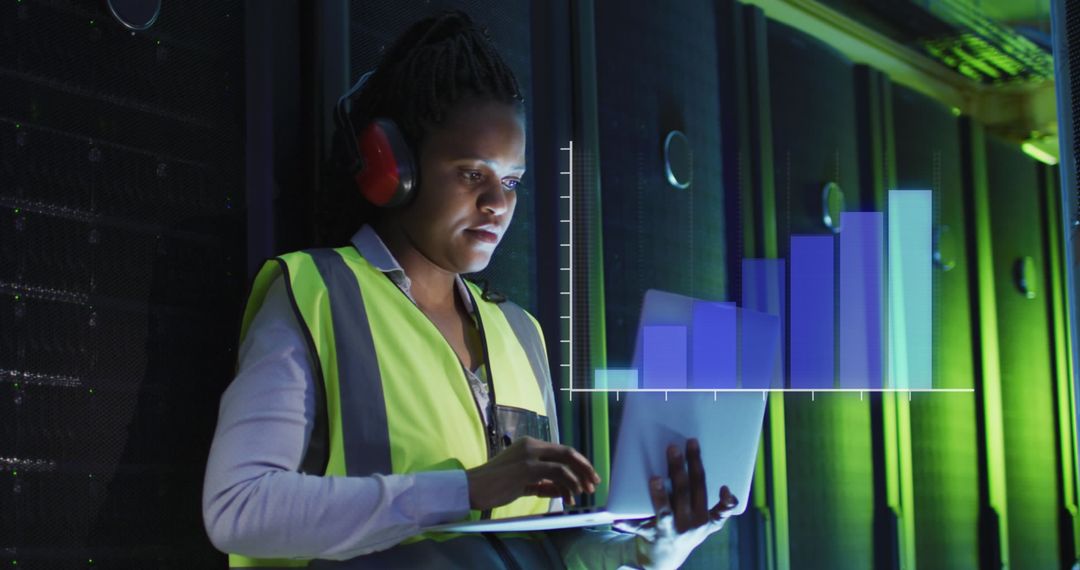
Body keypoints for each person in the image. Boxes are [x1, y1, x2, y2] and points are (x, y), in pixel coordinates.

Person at [203, 10, 737, 569]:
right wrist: (466, 489)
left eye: (510, 182)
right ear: (394, 167)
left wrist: (650, 549)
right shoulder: (314, 292)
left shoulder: (521, 334)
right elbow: (238, 508)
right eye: (471, 174)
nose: (498, 205)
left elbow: (538, 550)